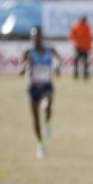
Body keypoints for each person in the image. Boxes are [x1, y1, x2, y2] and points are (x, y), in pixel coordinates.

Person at [18, 26, 61, 159]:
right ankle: (40, 144)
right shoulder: (28, 52)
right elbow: (20, 69)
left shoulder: (49, 49)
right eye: (33, 36)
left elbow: (58, 59)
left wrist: (57, 67)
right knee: (36, 117)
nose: (35, 38)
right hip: (34, 87)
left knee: (47, 104)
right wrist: (26, 66)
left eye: (38, 35)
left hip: (46, 85)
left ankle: (47, 122)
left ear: (41, 36)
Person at [68, 15, 92, 80]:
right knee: (76, 61)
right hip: (78, 47)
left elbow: (89, 37)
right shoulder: (75, 26)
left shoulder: (87, 26)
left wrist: (90, 47)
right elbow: (71, 36)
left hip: (85, 47)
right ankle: (75, 75)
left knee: (85, 62)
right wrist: (76, 43)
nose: (84, 21)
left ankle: (85, 75)